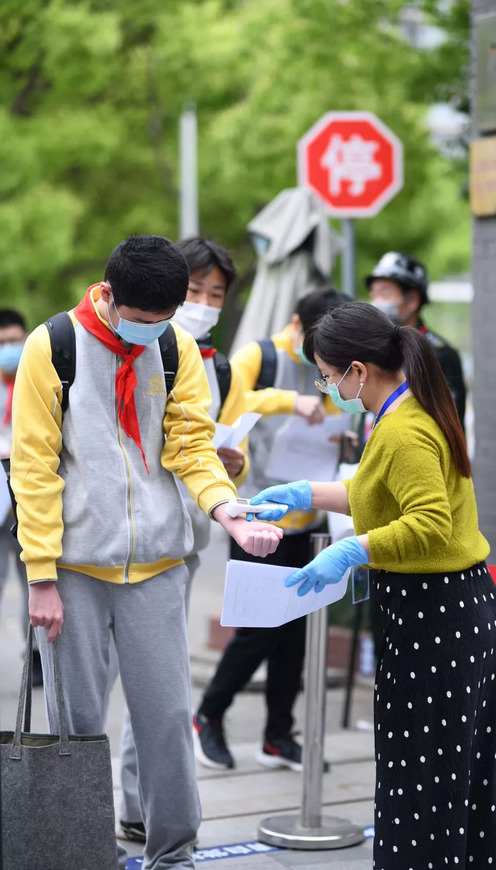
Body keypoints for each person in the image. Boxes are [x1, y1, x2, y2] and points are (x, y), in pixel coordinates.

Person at [10, 235, 282, 870]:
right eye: (140, 323)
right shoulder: (52, 348)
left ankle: (173, 854)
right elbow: (34, 468)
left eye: (162, 323)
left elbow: (191, 444)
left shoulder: (174, 344)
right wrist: (40, 576)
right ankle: (82, 850)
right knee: (77, 725)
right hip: (74, 569)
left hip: (158, 564)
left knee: (164, 720)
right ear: (108, 296)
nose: (150, 334)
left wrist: (226, 509)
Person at [250, 301, 496, 869]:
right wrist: (304, 494)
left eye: (327, 375)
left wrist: (355, 550)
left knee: (428, 787)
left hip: (442, 623)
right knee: (452, 783)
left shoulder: (405, 429)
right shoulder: (403, 411)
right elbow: (376, 495)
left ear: (358, 369)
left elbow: (429, 523)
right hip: (445, 617)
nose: (325, 385)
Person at [115, 236, 251, 845]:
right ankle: (130, 804)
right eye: (194, 290)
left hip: (187, 532)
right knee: (133, 677)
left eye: (214, 294)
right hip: (116, 534)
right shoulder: (121, 344)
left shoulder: (214, 362)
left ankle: (143, 807)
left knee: (159, 677)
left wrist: (230, 468)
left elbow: (199, 446)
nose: (202, 302)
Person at [193, 286, 347, 773]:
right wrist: (291, 401)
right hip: (255, 516)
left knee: (296, 634)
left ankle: (278, 735)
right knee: (256, 628)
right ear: (298, 327)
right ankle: (208, 717)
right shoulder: (257, 355)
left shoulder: (338, 358)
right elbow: (226, 408)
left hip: (311, 517)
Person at [365, 251, 466, 427]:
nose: (376, 302)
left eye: (385, 293)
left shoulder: (439, 355)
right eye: (373, 294)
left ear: (412, 300)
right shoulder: (370, 346)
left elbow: (448, 425)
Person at [0, 309, 43, 686]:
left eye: (15, 341)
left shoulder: (40, 377)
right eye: (2, 344)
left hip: (29, 500)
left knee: (36, 581)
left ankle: (37, 658)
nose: (10, 349)